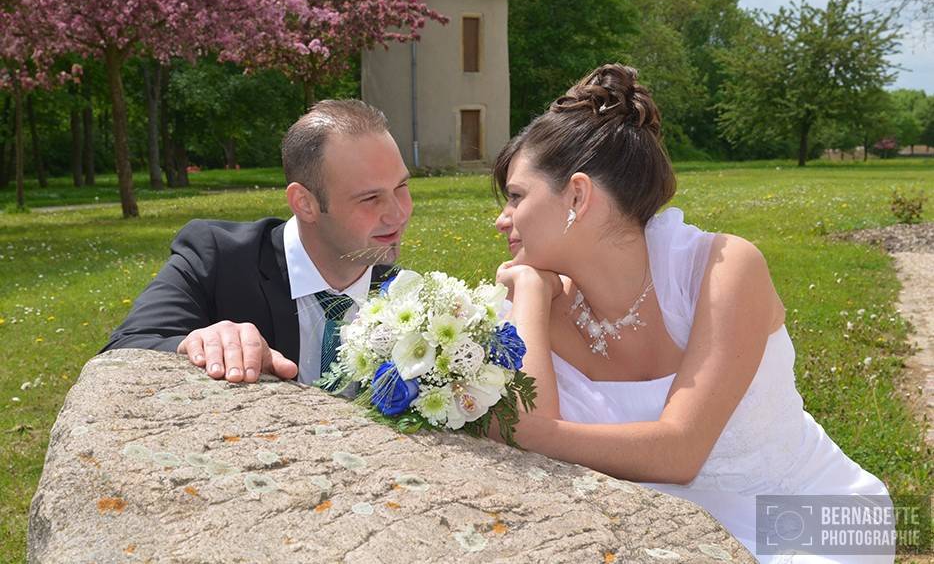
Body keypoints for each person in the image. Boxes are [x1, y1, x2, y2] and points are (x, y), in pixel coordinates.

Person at [491, 64, 894, 563]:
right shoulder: (538, 304)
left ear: (577, 195)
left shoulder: (721, 268)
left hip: (808, 517)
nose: (501, 219)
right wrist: (528, 292)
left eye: (516, 197)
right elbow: (518, 424)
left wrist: (543, 434)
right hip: (662, 527)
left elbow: (679, 453)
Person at [101, 99, 413, 386]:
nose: (399, 214)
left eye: (401, 187)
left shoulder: (407, 298)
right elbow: (122, 350)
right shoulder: (218, 259)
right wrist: (197, 343)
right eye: (371, 198)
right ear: (304, 203)